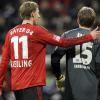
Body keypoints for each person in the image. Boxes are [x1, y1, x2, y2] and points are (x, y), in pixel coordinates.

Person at [0, 1, 100, 100]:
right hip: (32, 84)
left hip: (16, 85)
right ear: (32, 14)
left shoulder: (10, 33)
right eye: (38, 12)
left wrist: (0, 85)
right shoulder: (37, 31)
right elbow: (63, 42)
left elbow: (3, 62)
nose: (39, 16)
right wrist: (89, 37)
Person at [51, 7, 100, 100]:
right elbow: (98, 67)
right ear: (93, 22)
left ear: (78, 20)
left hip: (72, 89)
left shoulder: (67, 35)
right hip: (91, 90)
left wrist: (59, 77)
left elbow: (54, 59)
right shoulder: (97, 39)